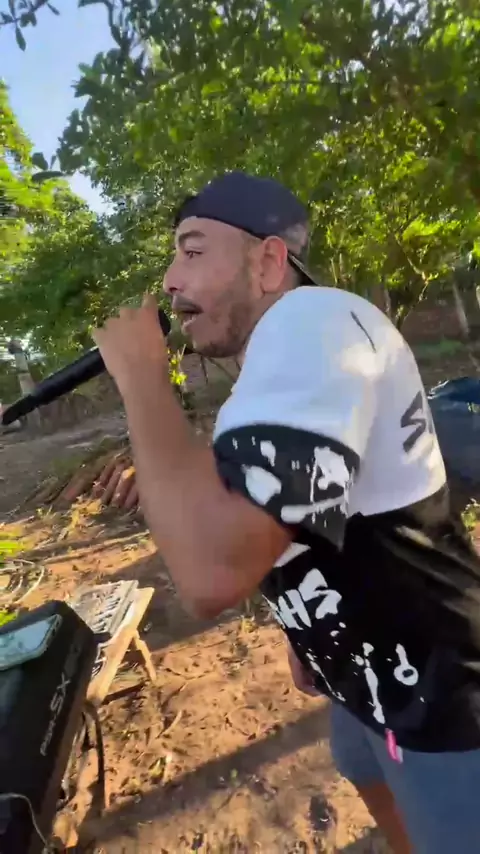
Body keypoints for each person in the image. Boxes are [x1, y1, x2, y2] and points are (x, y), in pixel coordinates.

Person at [93, 172, 480, 854]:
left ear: (270, 262)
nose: (170, 280)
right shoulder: (273, 370)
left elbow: (212, 574)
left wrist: (144, 379)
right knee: (373, 785)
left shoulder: (317, 321)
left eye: (192, 250)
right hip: (358, 676)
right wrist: (306, 637)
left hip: (441, 698)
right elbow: (276, 511)